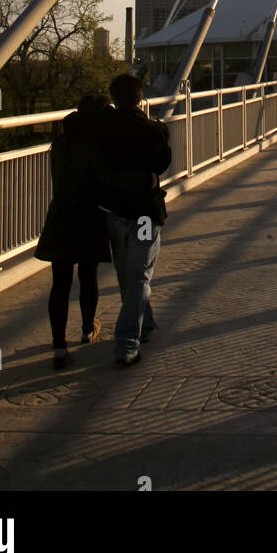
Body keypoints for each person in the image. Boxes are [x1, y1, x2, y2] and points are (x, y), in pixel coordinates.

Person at [91, 72, 172, 367]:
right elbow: (162, 163)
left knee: (128, 275)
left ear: (114, 98)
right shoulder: (153, 130)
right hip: (144, 212)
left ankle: (145, 325)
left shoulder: (100, 130)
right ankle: (127, 343)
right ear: (140, 98)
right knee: (139, 276)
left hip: (113, 211)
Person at [35, 93, 112, 370]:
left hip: (60, 216)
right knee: (88, 275)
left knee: (60, 282)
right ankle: (86, 329)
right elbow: (104, 179)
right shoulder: (97, 144)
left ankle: (58, 344)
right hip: (89, 217)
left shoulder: (60, 142)